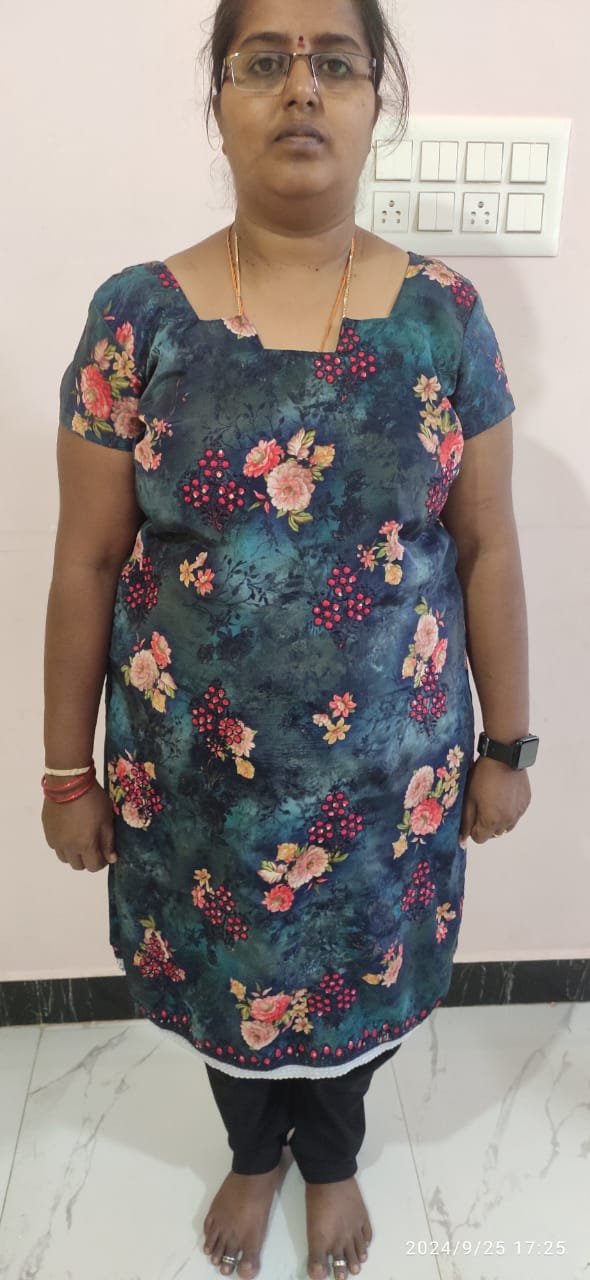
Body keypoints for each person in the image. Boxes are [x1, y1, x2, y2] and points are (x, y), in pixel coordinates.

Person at [42, 2, 538, 1277]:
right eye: (263, 62)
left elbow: (486, 546)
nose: (300, 89)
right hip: (195, 795)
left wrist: (507, 745)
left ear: (377, 100)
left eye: (334, 63)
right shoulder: (135, 320)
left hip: (388, 795)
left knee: (358, 995)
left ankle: (331, 1156)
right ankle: (253, 1149)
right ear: (218, 100)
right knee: (226, 999)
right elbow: (86, 560)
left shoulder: (442, 318)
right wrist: (64, 771)